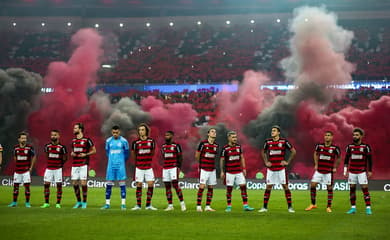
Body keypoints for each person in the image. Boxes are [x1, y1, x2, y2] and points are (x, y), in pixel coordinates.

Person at [259, 125, 296, 213]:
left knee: (285, 187)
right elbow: (263, 152)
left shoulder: (284, 142)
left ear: (278, 132)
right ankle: (264, 207)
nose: (272, 132)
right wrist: (266, 162)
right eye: (272, 130)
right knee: (268, 187)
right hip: (271, 169)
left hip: (281, 169)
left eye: (274, 131)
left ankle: (290, 207)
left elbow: (293, 151)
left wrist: (287, 162)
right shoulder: (268, 142)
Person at [305, 131, 341, 213]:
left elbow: (339, 158)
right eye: (326, 135)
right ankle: (313, 204)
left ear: (332, 137)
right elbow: (315, 154)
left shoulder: (335, 148)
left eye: (329, 135)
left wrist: (335, 167)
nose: (327, 137)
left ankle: (328, 206)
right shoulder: (319, 146)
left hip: (328, 171)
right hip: (319, 170)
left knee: (329, 188)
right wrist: (316, 164)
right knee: (313, 185)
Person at [220, 131, 254, 212]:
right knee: (229, 189)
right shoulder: (225, 149)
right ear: (229, 138)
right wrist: (222, 171)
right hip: (229, 172)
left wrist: (244, 169)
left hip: (238, 171)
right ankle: (229, 206)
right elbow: (222, 160)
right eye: (233, 137)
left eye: (235, 137)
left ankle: (245, 206)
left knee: (243, 187)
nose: (235, 139)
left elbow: (242, 158)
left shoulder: (239, 147)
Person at [344, 128, 373, 215]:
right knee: (352, 189)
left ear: (361, 136)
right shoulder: (349, 147)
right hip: (352, 171)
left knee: (365, 189)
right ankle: (353, 208)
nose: (355, 136)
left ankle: (368, 208)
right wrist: (345, 171)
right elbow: (346, 159)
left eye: (356, 135)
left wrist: (370, 170)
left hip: (362, 171)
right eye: (354, 135)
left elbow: (370, 160)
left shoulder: (366, 147)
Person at [101, 125, 130, 210]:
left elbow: (127, 154)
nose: (115, 134)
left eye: (116, 133)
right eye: (113, 133)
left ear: (119, 132)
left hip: (120, 166)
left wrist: (121, 161)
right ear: (111, 132)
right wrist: (112, 160)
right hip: (111, 166)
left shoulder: (124, 141)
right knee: (109, 185)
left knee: (122, 185)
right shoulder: (108, 141)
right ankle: (107, 204)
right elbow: (107, 152)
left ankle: (123, 204)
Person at [131, 123, 157, 210]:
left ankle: (148, 205)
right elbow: (133, 154)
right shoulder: (136, 143)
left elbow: (153, 152)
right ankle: (138, 205)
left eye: (142, 130)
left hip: (148, 167)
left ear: (146, 131)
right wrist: (138, 162)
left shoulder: (151, 141)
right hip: (139, 167)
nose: (141, 131)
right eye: (139, 130)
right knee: (139, 184)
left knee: (151, 184)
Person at [71, 123, 96, 209]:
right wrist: (72, 153)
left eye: (75, 128)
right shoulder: (73, 141)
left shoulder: (87, 140)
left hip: (83, 164)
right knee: (74, 183)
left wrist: (86, 154)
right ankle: (78, 202)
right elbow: (73, 151)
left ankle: (84, 202)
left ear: (80, 129)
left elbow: (94, 150)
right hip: (74, 164)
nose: (74, 129)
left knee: (83, 183)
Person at [8, 132, 36, 208]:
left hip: (26, 171)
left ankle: (27, 203)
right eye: (22, 138)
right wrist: (17, 165)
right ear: (19, 139)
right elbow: (15, 157)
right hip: (17, 171)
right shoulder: (15, 148)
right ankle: (14, 202)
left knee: (27, 187)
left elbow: (34, 157)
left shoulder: (29, 147)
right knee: (15, 187)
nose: (24, 140)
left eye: (25, 138)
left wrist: (31, 167)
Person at [40, 130, 67, 209]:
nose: (53, 136)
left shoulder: (62, 147)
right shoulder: (47, 146)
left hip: (58, 169)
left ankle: (58, 203)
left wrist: (60, 164)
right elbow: (47, 156)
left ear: (58, 136)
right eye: (52, 135)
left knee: (59, 186)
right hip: (49, 168)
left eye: (55, 135)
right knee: (46, 185)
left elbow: (65, 158)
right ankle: (46, 203)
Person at [161, 131, 186, 211]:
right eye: (165, 135)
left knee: (175, 185)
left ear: (172, 136)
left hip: (173, 168)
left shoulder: (176, 145)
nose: (166, 136)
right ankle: (170, 205)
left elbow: (180, 157)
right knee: (167, 187)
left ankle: (182, 204)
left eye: (168, 135)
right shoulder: (163, 146)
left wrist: (179, 168)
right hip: (165, 168)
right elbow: (163, 156)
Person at [195, 127, 219, 212]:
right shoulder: (203, 144)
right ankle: (198, 206)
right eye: (212, 132)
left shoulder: (216, 145)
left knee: (211, 187)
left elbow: (214, 157)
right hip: (204, 168)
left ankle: (208, 206)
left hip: (212, 169)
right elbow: (197, 155)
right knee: (202, 186)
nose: (214, 133)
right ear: (208, 134)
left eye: (215, 132)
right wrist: (201, 165)